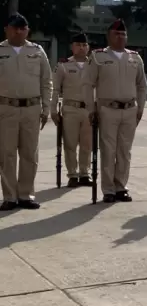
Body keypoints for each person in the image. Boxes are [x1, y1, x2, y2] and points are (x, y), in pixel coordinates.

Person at [82, 19, 147, 203]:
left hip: (129, 110)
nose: (120, 37)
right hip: (107, 110)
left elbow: (142, 85)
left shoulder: (135, 57)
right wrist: (91, 108)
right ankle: (108, 189)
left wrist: (140, 108)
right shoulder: (97, 56)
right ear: (109, 36)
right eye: (116, 34)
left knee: (124, 151)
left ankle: (121, 187)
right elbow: (88, 84)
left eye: (123, 34)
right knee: (108, 151)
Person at [0, 13, 52, 210]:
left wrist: (45, 108)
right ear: (7, 29)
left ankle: (26, 195)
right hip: (6, 108)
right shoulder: (0, 50)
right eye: (15, 27)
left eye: (23, 28)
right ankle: (9, 197)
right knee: (6, 154)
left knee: (30, 154)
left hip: (32, 108)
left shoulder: (37, 51)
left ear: (27, 30)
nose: (19, 31)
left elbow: (46, 82)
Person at [52, 32, 92, 187]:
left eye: (84, 45)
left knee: (87, 144)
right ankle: (72, 174)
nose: (81, 48)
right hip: (70, 109)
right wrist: (53, 110)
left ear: (88, 47)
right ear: (72, 47)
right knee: (70, 143)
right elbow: (55, 89)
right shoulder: (63, 65)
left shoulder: (94, 65)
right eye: (78, 45)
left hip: (88, 110)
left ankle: (84, 173)